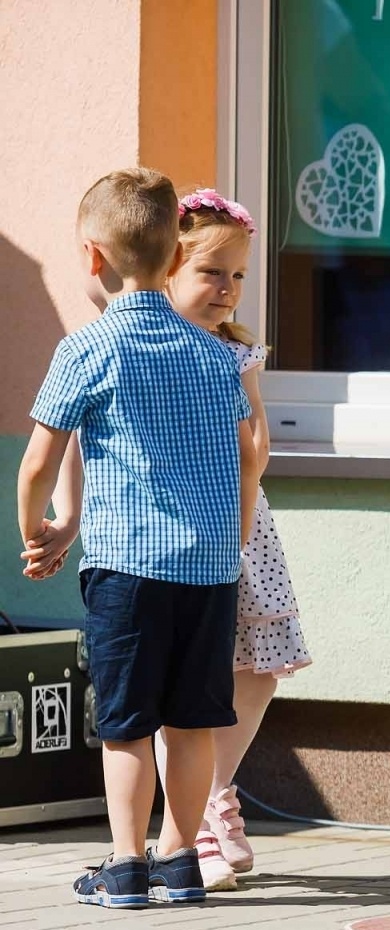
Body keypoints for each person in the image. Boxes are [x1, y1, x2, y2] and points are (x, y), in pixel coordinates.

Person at [28, 189, 311, 894]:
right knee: (191, 719)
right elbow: (248, 454)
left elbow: (46, 455)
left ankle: (129, 863)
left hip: (134, 561)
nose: (228, 288)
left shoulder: (92, 346)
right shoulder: (213, 355)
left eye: (237, 275)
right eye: (214, 272)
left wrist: (37, 528)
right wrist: (231, 539)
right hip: (211, 562)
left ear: (95, 258)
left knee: (128, 722)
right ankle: (182, 859)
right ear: (170, 261)